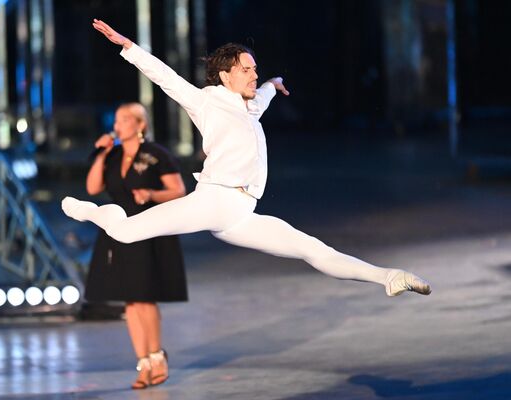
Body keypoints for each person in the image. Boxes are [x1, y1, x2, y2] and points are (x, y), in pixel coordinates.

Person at [64, 16, 431, 336]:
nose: (253, 74)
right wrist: (128, 46)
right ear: (225, 75)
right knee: (124, 231)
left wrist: (273, 82)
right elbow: (166, 78)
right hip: (213, 200)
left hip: (241, 213)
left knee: (314, 250)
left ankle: (388, 277)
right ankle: (96, 212)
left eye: (255, 69)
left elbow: (265, 94)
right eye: (246, 69)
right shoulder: (206, 101)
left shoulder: (251, 105)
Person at [83, 102, 188, 390]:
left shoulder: (156, 154)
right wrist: (102, 153)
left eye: (125, 119)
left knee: (144, 296)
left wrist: (152, 193)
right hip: (118, 230)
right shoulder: (113, 154)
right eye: (116, 119)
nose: (118, 125)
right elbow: (92, 188)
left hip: (148, 228)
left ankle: (157, 358)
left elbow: (179, 190)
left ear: (140, 124)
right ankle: (142, 362)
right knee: (129, 299)